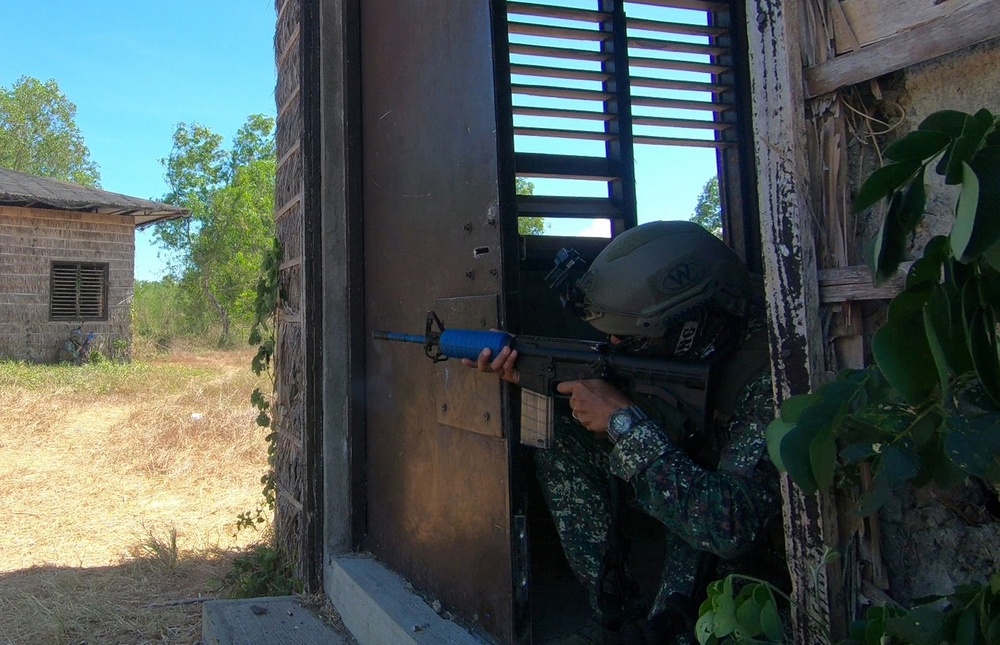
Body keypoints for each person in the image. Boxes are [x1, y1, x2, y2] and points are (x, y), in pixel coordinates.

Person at [464, 221, 783, 644]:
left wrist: (623, 423)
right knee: (561, 437)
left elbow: (731, 527)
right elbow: (641, 381)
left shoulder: (776, 367)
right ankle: (613, 614)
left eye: (632, 338)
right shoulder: (697, 334)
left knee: (684, 622)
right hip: (690, 469)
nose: (615, 344)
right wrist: (534, 368)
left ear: (690, 327)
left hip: (744, 536)